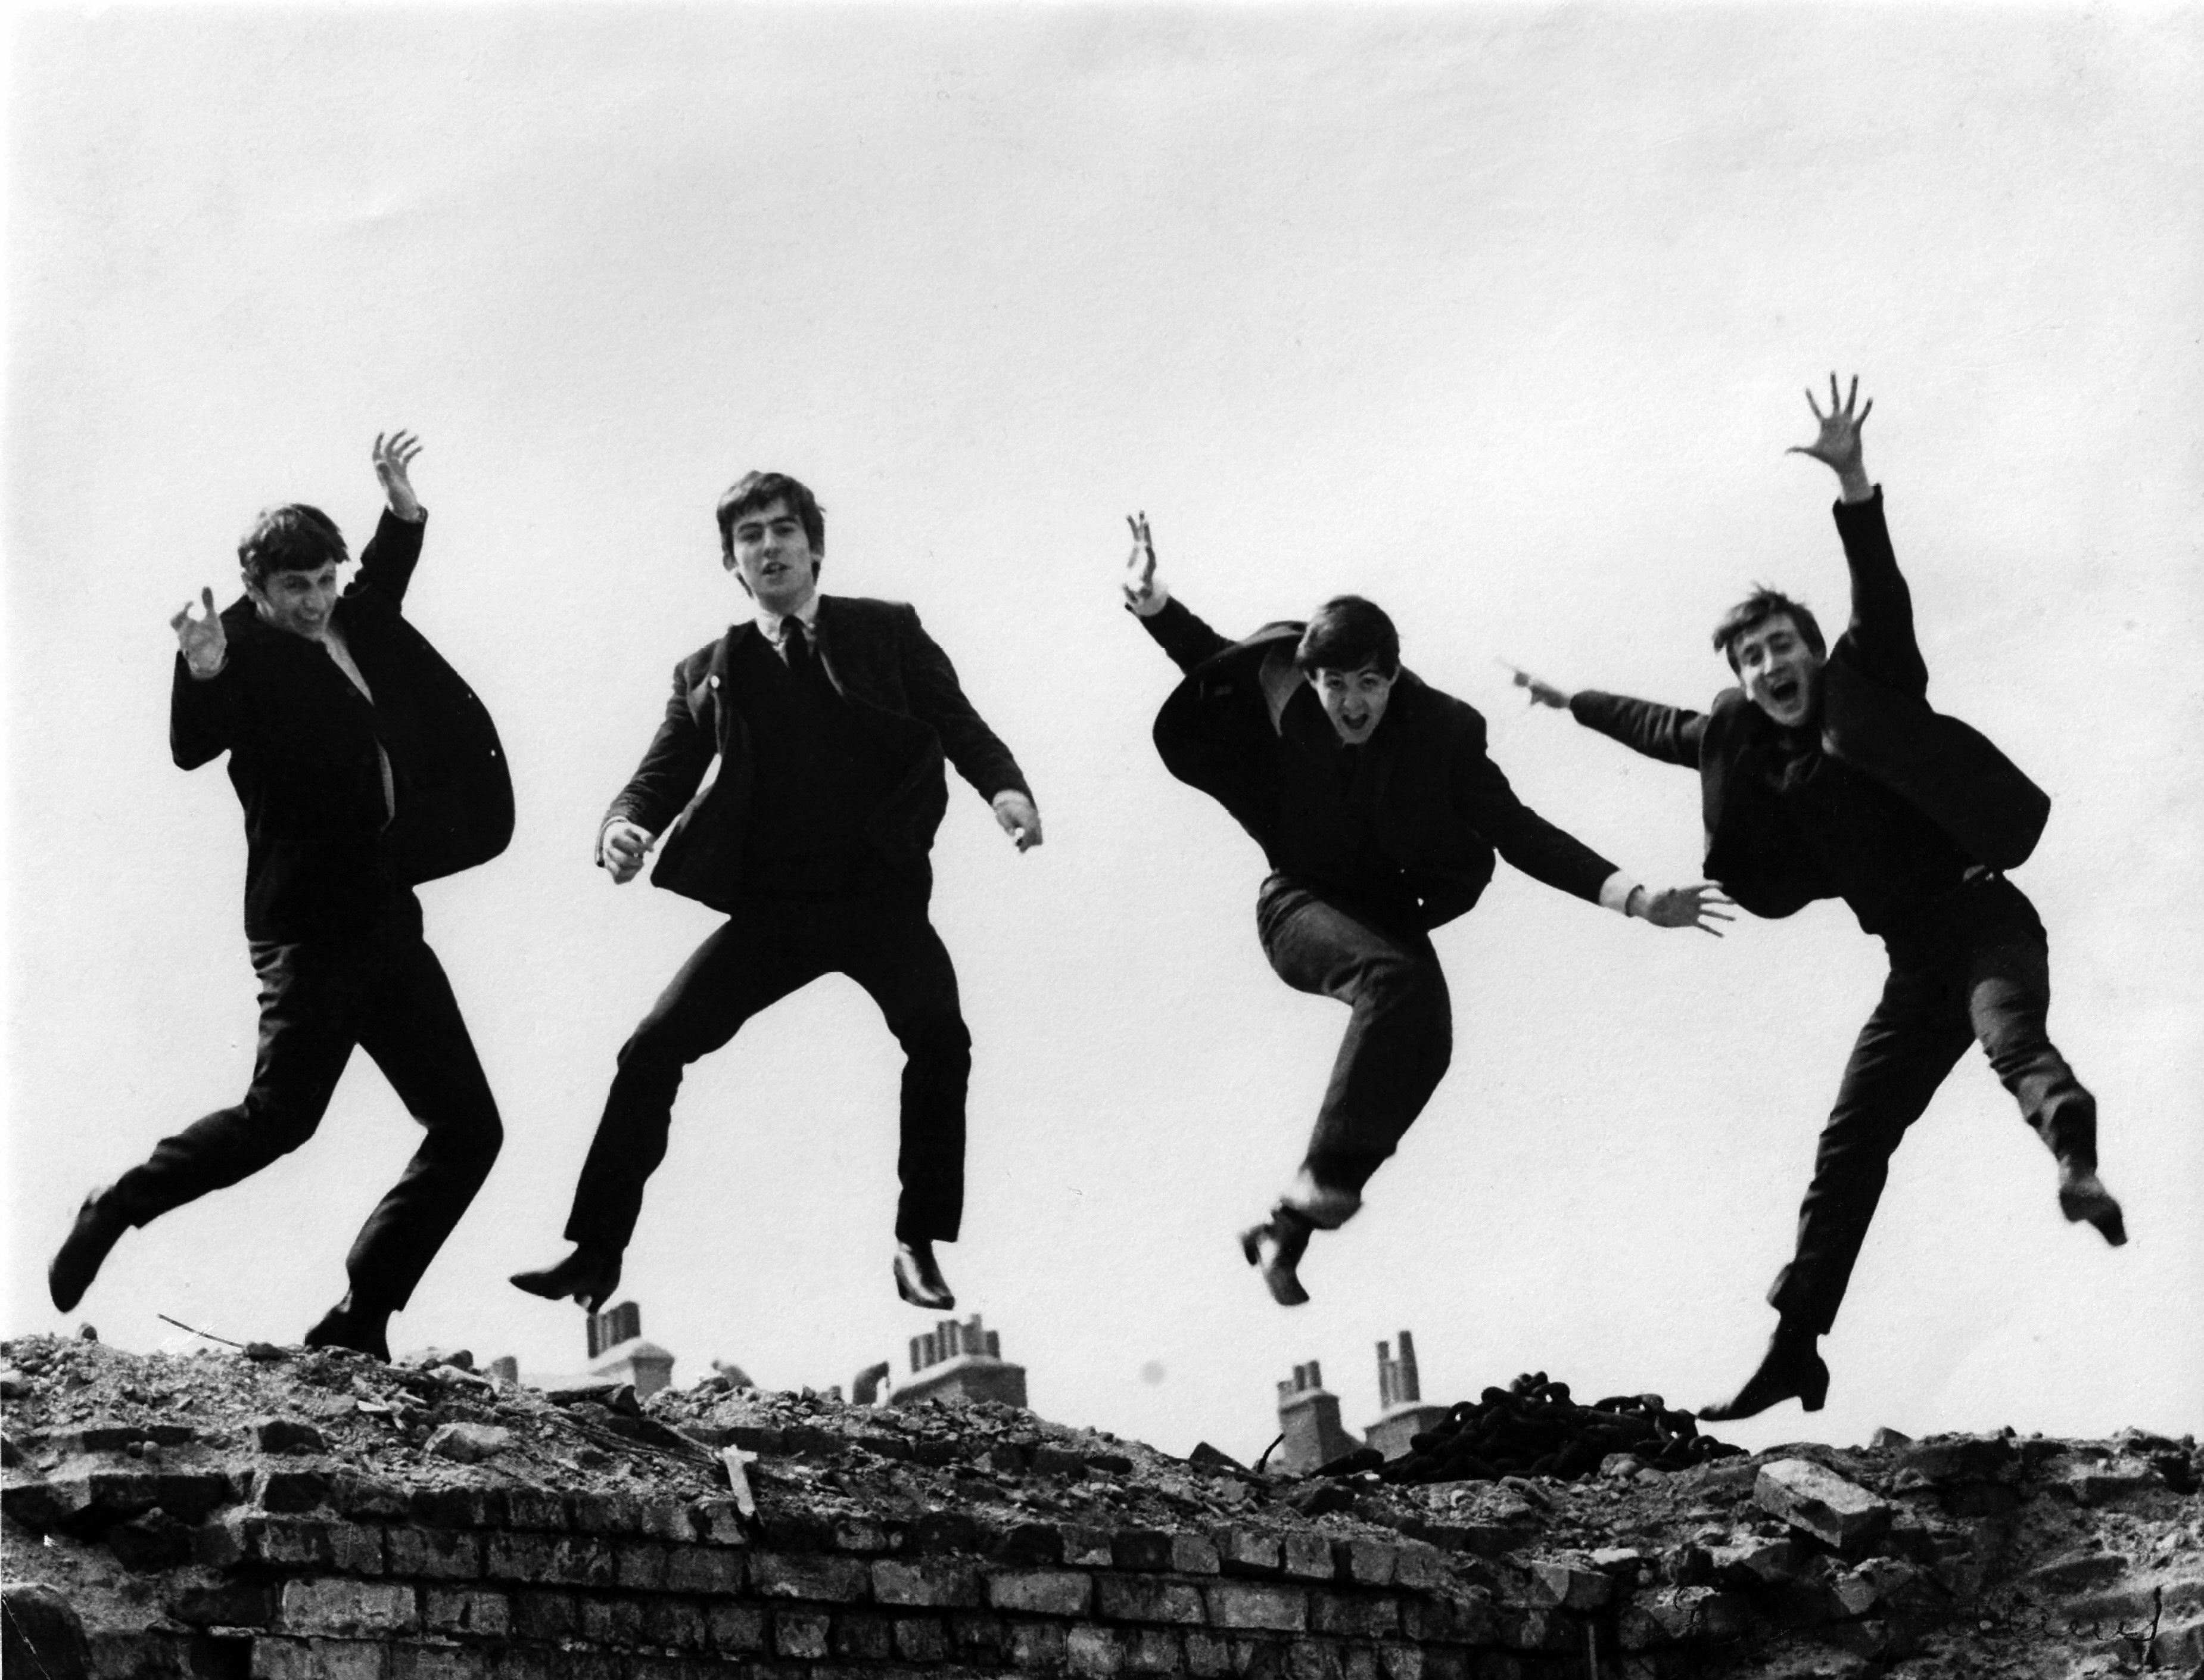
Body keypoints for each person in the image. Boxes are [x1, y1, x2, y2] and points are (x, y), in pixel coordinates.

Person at [1512, 375, 2125, 1420]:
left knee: (2010, 1037)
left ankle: (2075, 1160)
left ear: (1810, 649)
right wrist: (1572, 702)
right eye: (1752, 659)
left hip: (1984, 920)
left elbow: (1878, 589)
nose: (1769, 665)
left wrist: (1851, 482)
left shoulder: (1869, 683)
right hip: (1910, 963)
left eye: (1782, 646)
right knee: (1849, 1143)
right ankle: (1795, 1346)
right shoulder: (1747, 747)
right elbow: (1665, 729)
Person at [1122, 514, 1729, 1306]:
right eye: (1334, 685)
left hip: (1384, 909)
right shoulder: (1282, 694)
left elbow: (1516, 829)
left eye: (1369, 684)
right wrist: (1153, 601)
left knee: (1428, 1044)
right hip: (1298, 904)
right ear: (1310, 680)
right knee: (1392, 987)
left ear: (1395, 678)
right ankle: (1316, 1189)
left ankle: (1287, 1231)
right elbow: (1211, 658)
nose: (1349, 704)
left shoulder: (1443, 732)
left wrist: (1636, 898)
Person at [511, 472, 1040, 1315]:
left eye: (784, 529)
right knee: (651, 1049)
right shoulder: (709, 670)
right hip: (775, 914)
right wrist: (621, 830)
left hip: (881, 901)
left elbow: (959, 721)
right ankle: (594, 1250)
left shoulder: (886, 632)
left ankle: (918, 1242)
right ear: (732, 562)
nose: (769, 546)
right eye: (750, 535)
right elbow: (656, 778)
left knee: (940, 1037)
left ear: (815, 546)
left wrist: (1006, 791)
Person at [47, 434, 513, 1360]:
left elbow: (386, 574)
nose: (313, 603)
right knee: (280, 1122)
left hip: (388, 917)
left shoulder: (353, 618)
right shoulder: (248, 651)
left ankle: (360, 1316)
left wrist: (402, 510)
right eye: (292, 589)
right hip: (308, 932)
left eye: (323, 583)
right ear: (257, 589)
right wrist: (207, 666)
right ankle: (116, 1207)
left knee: (469, 1129)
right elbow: (194, 744)